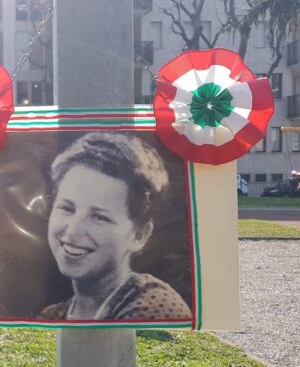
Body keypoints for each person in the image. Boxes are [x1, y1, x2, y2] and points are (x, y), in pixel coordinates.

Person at [37, 132, 191, 321]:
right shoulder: (53, 314)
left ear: (139, 235)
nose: (73, 230)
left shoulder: (153, 306)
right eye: (66, 208)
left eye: (98, 217)